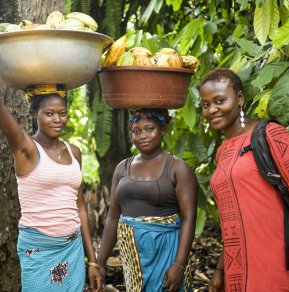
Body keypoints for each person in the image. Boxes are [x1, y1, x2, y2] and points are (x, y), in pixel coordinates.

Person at [0, 84, 101, 291]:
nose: (57, 120)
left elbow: (79, 207)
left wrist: (92, 261)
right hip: (39, 250)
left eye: (62, 113)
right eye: (49, 114)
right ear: (34, 112)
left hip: (72, 248)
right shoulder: (26, 149)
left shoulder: (74, 152)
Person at [199, 68, 289, 292]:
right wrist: (221, 270)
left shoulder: (271, 134)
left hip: (276, 265)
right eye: (205, 105)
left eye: (219, 101)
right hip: (238, 269)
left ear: (240, 98)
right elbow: (231, 221)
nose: (212, 110)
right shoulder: (222, 152)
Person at [94, 108, 198, 292]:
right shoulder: (122, 168)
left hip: (166, 250)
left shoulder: (178, 169)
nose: (142, 136)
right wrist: (99, 263)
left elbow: (189, 218)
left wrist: (179, 264)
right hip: (133, 252)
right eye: (136, 131)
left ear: (163, 130)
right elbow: (112, 217)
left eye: (149, 129)